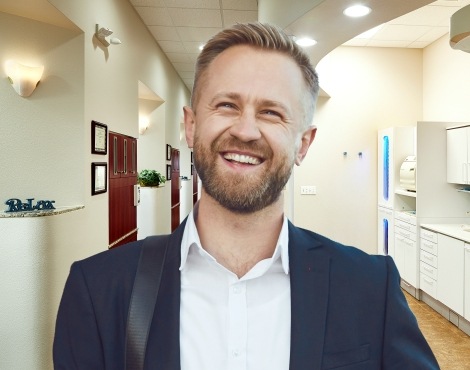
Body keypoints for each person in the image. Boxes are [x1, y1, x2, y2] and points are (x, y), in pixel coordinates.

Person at [53, 22, 439, 369]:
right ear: (191, 126)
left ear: (304, 144)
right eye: (226, 105)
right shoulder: (98, 289)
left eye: (272, 113)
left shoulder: (371, 288)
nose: (246, 130)